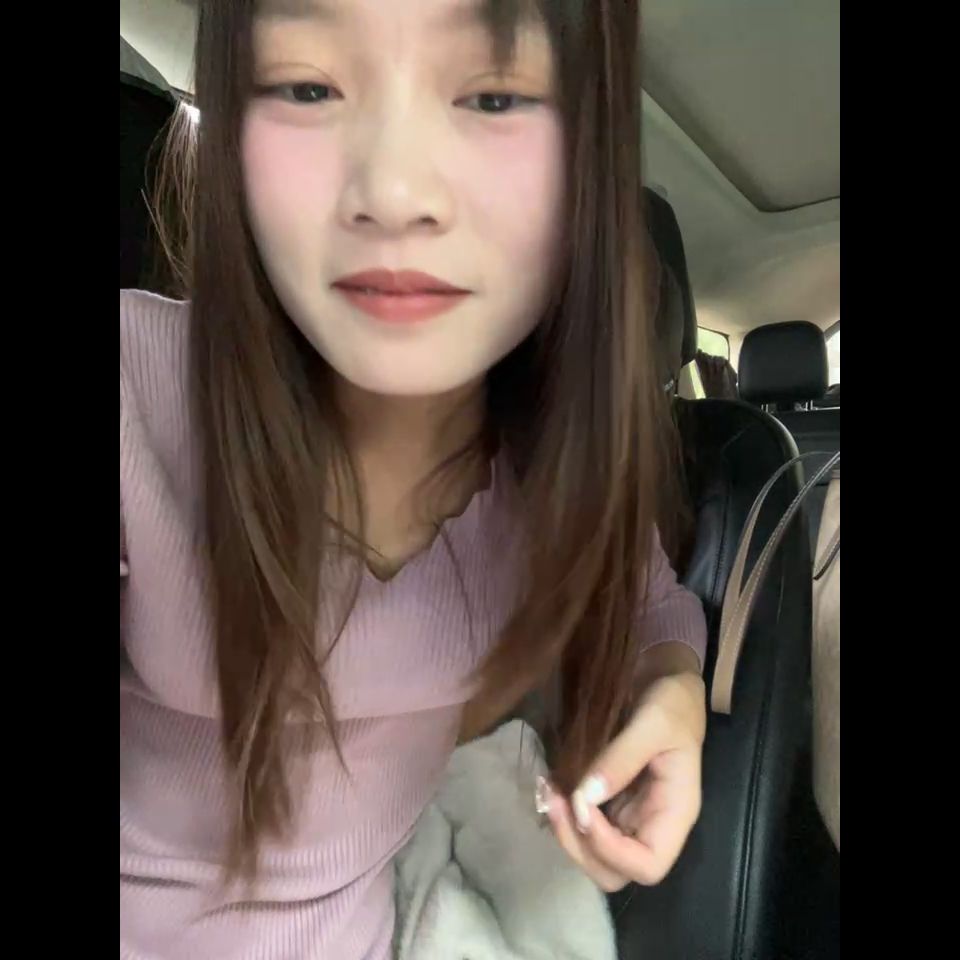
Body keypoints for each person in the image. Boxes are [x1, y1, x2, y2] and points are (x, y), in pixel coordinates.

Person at [119, 1, 709, 957]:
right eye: (306, 86)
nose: (393, 194)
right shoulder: (136, 386)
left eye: (493, 96)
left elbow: (654, 608)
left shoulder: (557, 470)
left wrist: (674, 694)